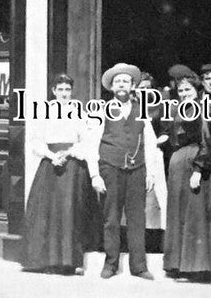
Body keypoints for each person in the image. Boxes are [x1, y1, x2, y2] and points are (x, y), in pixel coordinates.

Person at [84, 62, 160, 280]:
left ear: (132, 85)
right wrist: (95, 175)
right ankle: (111, 264)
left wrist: (151, 173)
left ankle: (139, 266)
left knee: (137, 218)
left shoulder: (141, 110)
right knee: (111, 218)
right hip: (110, 167)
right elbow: (91, 143)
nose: (121, 85)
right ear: (111, 86)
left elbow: (149, 142)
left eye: (125, 81)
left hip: (137, 169)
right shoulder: (101, 110)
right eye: (117, 81)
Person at [21, 74, 101, 274]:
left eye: (68, 89)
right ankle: (48, 261)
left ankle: (69, 262)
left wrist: (70, 152)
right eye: (60, 90)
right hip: (50, 165)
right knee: (48, 212)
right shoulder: (44, 112)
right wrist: (51, 155)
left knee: (70, 212)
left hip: (72, 167)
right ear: (54, 91)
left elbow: (87, 141)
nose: (64, 93)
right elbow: (35, 140)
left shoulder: (79, 113)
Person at [163, 70, 211, 282]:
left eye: (188, 89)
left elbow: (209, 141)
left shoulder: (203, 110)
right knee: (180, 214)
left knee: (196, 216)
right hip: (179, 167)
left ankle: (198, 268)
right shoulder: (180, 109)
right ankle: (179, 265)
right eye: (181, 90)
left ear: (197, 90)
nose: (184, 93)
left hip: (196, 164)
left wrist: (198, 169)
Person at [136, 72, 167, 247]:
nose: (145, 92)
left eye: (148, 88)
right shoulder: (131, 107)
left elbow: (166, 131)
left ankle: (153, 240)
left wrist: (154, 141)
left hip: (154, 154)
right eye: (141, 88)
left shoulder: (158, 108)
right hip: (135, 154)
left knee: (154, 196)